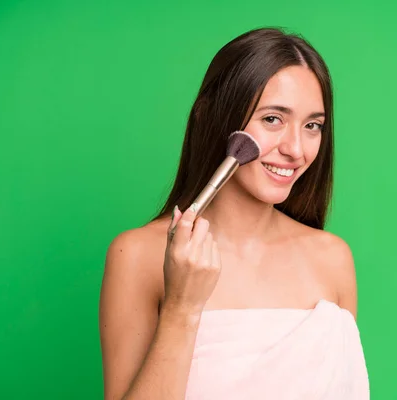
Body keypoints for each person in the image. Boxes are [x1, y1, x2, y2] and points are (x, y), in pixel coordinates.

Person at [99, 27, 369, 400]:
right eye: (273, 119)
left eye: (312, 126)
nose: (295, 148)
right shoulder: (139, 256)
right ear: (215, 117)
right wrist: (182, 308)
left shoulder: (332, 259)